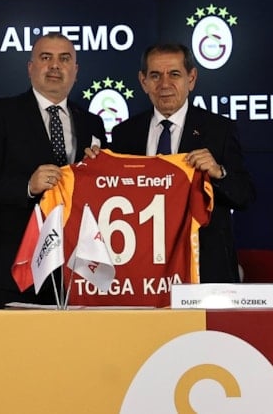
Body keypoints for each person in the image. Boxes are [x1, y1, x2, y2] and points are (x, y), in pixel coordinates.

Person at [0, 32, 107, 309]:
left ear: (75, 71)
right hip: (11, 271)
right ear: (30, 67)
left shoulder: (92, 123)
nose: (55, 66)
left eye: (64, 59)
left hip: (74, 271)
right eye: (46, 57)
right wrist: (27, 186)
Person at [106, 42, 256, 284]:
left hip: (203, 267)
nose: (164, 84)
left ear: (191, 79)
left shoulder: (219, 130)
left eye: (174, 74)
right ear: (143, 81)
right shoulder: (125, 134)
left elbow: (244, 196)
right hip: (142, 268)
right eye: (155, 75)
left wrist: (219, 172)